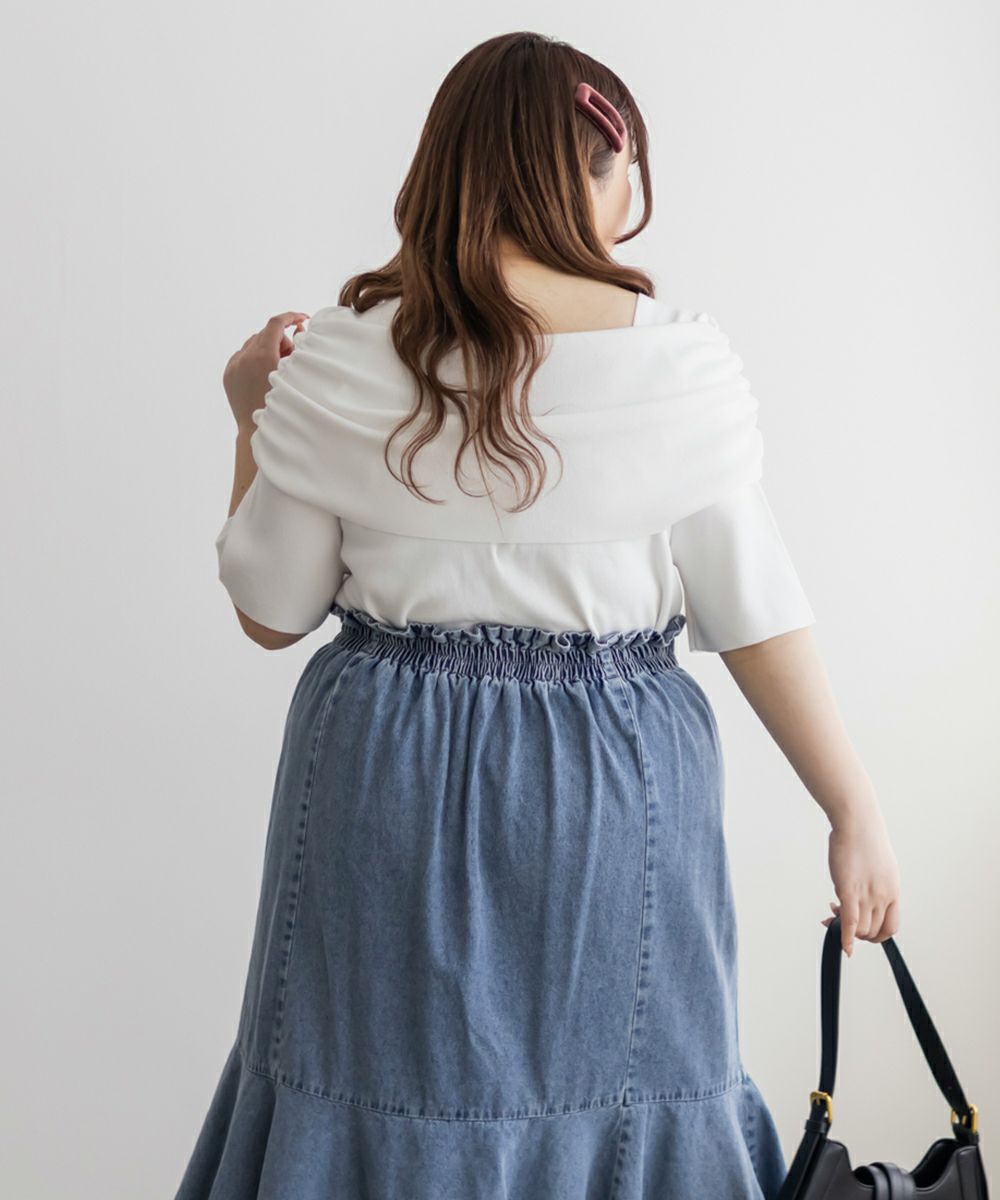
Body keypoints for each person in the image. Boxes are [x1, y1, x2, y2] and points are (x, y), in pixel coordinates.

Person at [174, 31, 901, 1200]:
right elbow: (752, 606)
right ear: (598, 177)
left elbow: (271, 611)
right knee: (628, 1097)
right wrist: (851, 808)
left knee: (370, 1087)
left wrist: (249, 417)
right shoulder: (674, 369)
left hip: (384, 777)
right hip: (609, 788)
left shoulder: (341, 359)